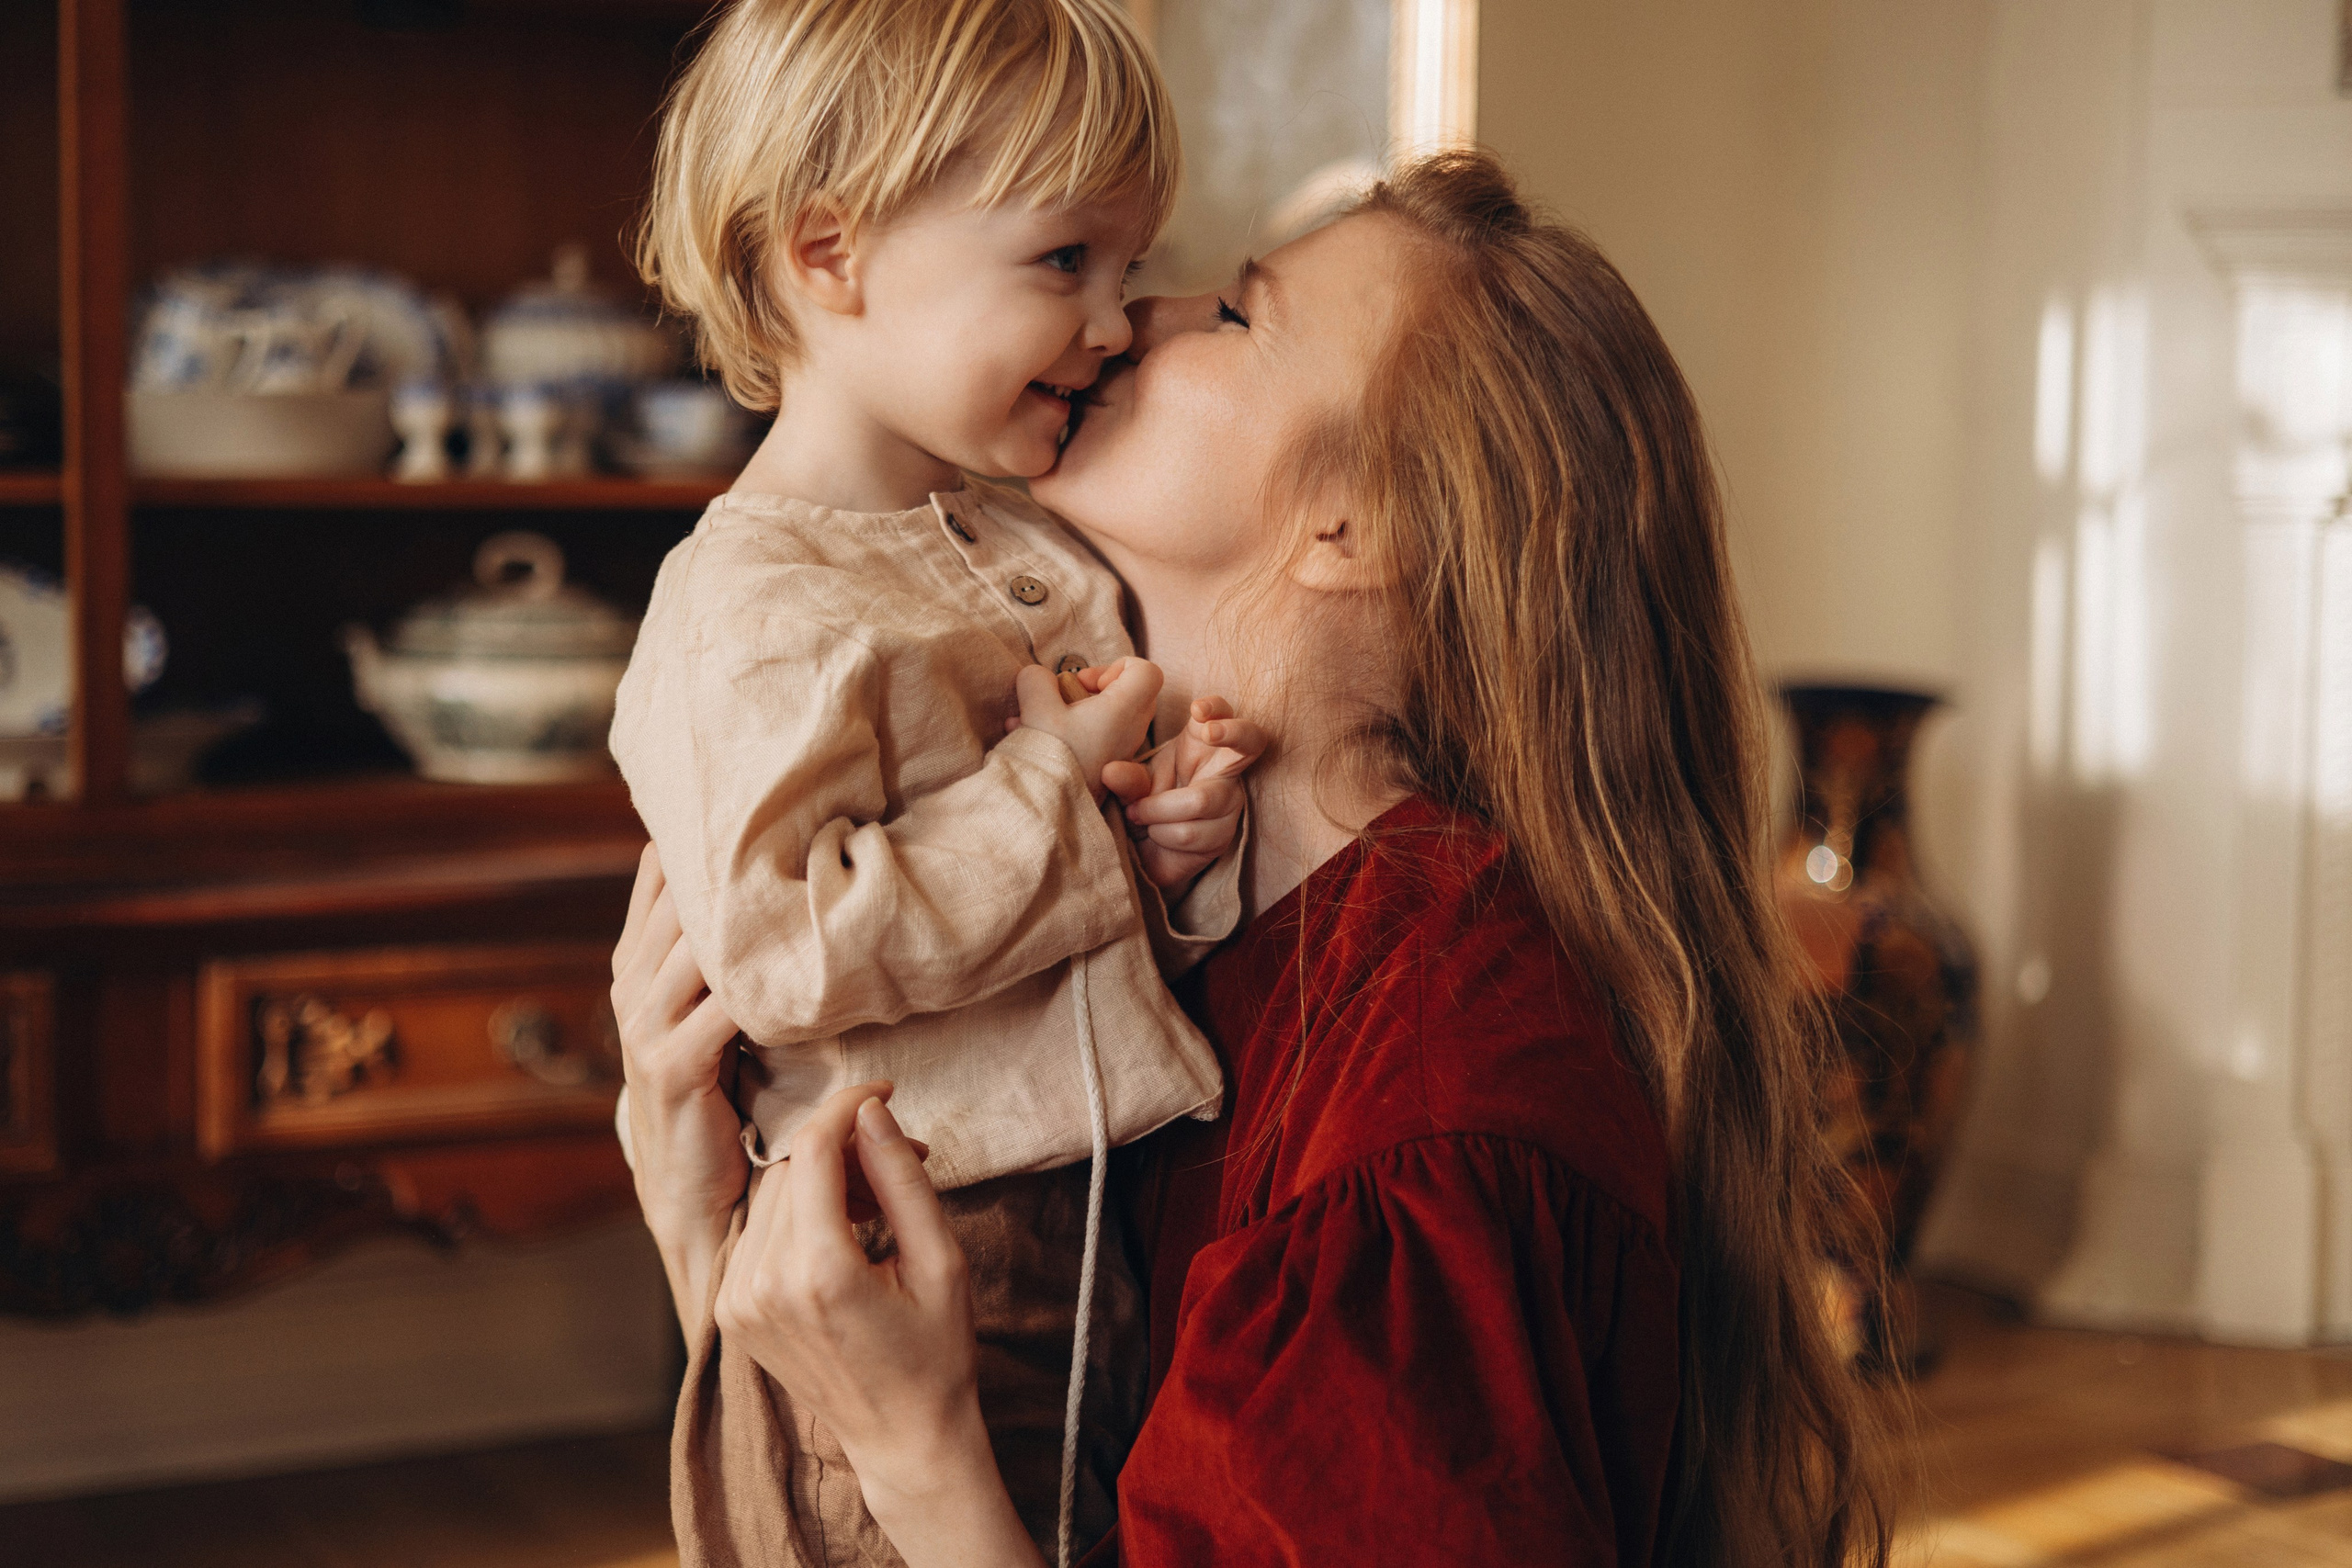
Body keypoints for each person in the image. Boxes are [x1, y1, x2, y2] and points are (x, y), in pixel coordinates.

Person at [614, 150, 1897, 1567]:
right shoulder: (1151, 922)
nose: (1127, 317)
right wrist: (711, 1238)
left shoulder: (1432, 1111)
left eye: (1234, 313)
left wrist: (919, 1455)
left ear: (1360, 527)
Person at [611, 2, 1266, 1563]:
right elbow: (789, 950)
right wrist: (1057, 789)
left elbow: (1037, 927)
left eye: (1129, 264)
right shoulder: (746, 608)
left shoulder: (1022, 546)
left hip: (1087, 1212)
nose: (1115, 322)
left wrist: (1164, 848)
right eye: (1064, 263)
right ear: (828, 256)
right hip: (910, 1245)